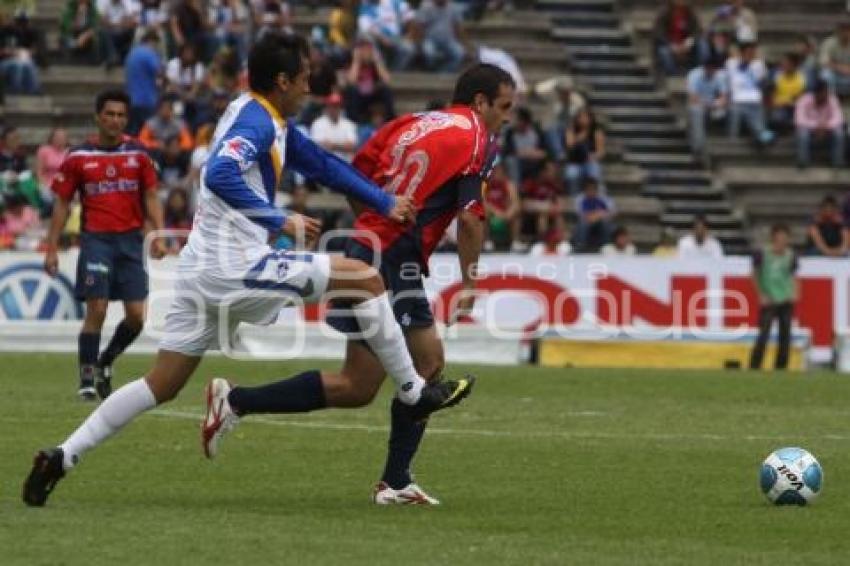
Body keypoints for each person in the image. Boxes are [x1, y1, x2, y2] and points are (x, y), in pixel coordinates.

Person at [22, 33, 458, 508]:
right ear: (283, 80)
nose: (309, 88)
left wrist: (384, 201)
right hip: (234, 267)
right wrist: (278, 218)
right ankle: (414, 390)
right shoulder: (256, 124)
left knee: (161, 383)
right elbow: (219, 175)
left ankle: (62, 456)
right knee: (365, 277)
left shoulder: (262, 115)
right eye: (305, 79)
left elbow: (325, 166)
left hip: (201, 269)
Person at [203, 62, 516, 506]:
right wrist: (470, 279)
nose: (507, 117)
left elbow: (358, 175)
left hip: (370, 244)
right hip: (392, 254)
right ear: (480, 102)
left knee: (359, 385)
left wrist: (375, 219)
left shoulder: (409, 123)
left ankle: (237, 402)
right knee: (423, 364)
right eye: (504, 107)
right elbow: (470, 217)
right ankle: (394, 481)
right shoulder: (479, 137)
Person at [44, 91, 166, 400]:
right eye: (109, 114)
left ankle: (105, 361)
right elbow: (62, 203)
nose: (115, 120)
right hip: (96, 241)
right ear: (98, 117)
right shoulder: (78, 157)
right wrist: (51, 247)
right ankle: (86, 381)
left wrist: (159, 235)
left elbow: (151, 196)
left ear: (126, 119)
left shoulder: (139, 153)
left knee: (137, 317)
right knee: (96, 308)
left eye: (120, 115)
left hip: (130, 242)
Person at [749, 224, 797, 371]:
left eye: (785, 237)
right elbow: (754, 275)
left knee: (785, 335)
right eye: (780, 237)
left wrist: (793, 293)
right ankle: (755, 366)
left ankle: (781, 367)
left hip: (785, 299)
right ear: (774, 238)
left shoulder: (791, 255)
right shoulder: (762, 254)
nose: (783, 240)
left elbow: (792, 276)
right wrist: (761, 294)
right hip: (769, 299)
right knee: (763, 334)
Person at [726, 41, 773, 145]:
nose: (751, 55)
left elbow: (763, 84)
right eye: (749, 52)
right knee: (734, 115)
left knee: (759, 129)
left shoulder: (759, 65)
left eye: (753, 52)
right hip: (737, 101)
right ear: (742, 53)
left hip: (755, 102)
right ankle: (732, 143)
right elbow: (735, 72)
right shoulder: (731, 63)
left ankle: (762, 136)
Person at [795, 80, 845, 169]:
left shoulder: (832, 100)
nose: (825, 95)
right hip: (809, 129)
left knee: (839, 133)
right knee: (802, 134)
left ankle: (837, 162)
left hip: (827, 129)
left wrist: (825, 126)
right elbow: (800, 120)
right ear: (816, 93)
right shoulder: (804, 100)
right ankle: (803, 162)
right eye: (823, 93)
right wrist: (817, 126)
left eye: (826, 93)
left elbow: (838, 118)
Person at [686, 57, 728, 158]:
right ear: (705, 68)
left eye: (714, 70)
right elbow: (692, 97)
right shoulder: (694, 75)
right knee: (697, 111)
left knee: (728, 111)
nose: (712, 72)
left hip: (713, 105)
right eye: (710, 69)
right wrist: (705, 105)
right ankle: (699, 147)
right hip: (697, 104)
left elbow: (724, 97)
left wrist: (717, 103)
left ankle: (726, 144)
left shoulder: (719, 75)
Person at [124, 29, 162, 135]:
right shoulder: (149, 54)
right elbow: (159, 72)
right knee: (146, 134)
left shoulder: (132, 53)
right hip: (146, 100)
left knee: (131, 132)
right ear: (152, 41)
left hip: (131, 99)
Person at [653, 0, 704, 75]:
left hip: (686, 45)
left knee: (702, 45)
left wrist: (689, 41)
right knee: (664, 52)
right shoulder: (664, 13)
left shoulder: (690, 13)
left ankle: (697, 71)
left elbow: (697, 31)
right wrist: (671, 45)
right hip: (670, 45)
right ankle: (673, 74)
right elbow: (659, 34)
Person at [416, 0, 466, 73]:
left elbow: (458, 27)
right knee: (429, 52)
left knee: (459, 53)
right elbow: (419, 26)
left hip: (449, 40)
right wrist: (419, 41)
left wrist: (463, 43)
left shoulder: (454, 7)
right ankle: (429, 71)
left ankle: (442, 73)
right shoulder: (426, 6)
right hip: (430, 39)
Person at [564, 107, 605, 193]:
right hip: (575, 162)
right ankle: (574, 199)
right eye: (581, 117)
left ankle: (599, 198)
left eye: (585, 117)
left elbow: (601, 152)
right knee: (571, 175)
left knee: (595, 172)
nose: (583, 120)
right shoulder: (571, 130)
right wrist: (582, 135)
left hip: (589, 161)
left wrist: (593, 156)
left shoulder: (596, 132)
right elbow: (570, 145)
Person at [309, 92, 358, 162]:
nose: (335, 109)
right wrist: (342, 146)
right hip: (325, 163)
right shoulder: (318, 123)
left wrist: (333, 145)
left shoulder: (348, 124)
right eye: (332, 106)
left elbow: (352, 146)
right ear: (327, 107)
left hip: (345, 163)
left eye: (337, 106)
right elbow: (320, 146)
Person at [483, 161, 521, 251]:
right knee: (482, 213)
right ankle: (487, 242)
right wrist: (496, 212)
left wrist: (508, 214)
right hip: (492, 214)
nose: (497, 174)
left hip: (505, 215)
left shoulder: (509, 185)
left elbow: (516, 203)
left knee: (517, 214)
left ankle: (515, 242)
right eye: (495, 172)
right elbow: (482, 202)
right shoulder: (484, 185)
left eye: (500, 172)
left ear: (504, 173)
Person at [573, 175, 613, 253]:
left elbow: (611, 212)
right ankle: (580, 246)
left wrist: (598, 216)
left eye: (593, 189)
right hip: (586, 221)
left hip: (601, 222)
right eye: (588, 189)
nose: (591, 191)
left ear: (596, 189)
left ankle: (606, 248)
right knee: (583, 224)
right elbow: (581, 214)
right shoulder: (580, 199)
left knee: (606, 224)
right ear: (584, 190)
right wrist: (597, 214)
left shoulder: (603, 198)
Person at [35, 128, 70, 204]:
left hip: (64, 184)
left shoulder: (70, 152)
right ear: (52, 138)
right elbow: (39, 172)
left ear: (66, 139)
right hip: (47, 183)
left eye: (62, 137)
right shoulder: (43, 150)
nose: (60, 139)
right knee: (46, 195)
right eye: (57, 137)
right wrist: (45, 185)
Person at [819, 21, 850, 97]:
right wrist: (840, 68)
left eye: (847, 30)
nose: (845, 33)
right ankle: (831, 99)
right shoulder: (829, 43)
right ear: (838, 32)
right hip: (835, 73)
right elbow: (824, 61)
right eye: (843, 30)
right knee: (825, 74)